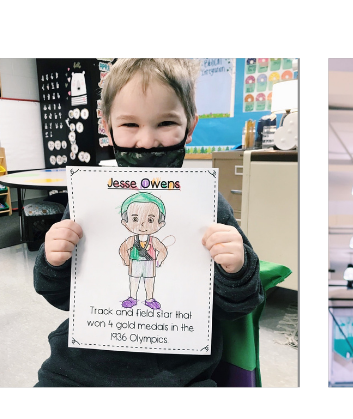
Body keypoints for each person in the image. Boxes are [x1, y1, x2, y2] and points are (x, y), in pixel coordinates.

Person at [36, 58, 263, 387]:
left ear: (190, 125)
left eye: (165, 122)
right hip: (78, 368)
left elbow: (240, 305)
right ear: (106, 125)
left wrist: (237, 268)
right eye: (129, 125)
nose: (146, 141)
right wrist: (53, 261)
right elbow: (59, 296)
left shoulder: (208, 205)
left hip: (180, 374)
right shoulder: (89, 201)